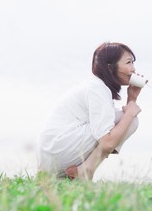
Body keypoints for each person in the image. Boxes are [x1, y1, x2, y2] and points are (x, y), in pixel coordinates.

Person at [37, 42, 143, 180]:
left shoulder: (97, 87)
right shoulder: (97, 89)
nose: (133, 69)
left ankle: (80, 172)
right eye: (128, 62)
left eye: (133, 63)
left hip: (55, 153)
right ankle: (85, 171)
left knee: (126, 120)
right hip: (59, 149)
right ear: (110, 68)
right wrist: (129, 113)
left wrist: (132, 98)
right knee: (130, 120)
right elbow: (108, 141)